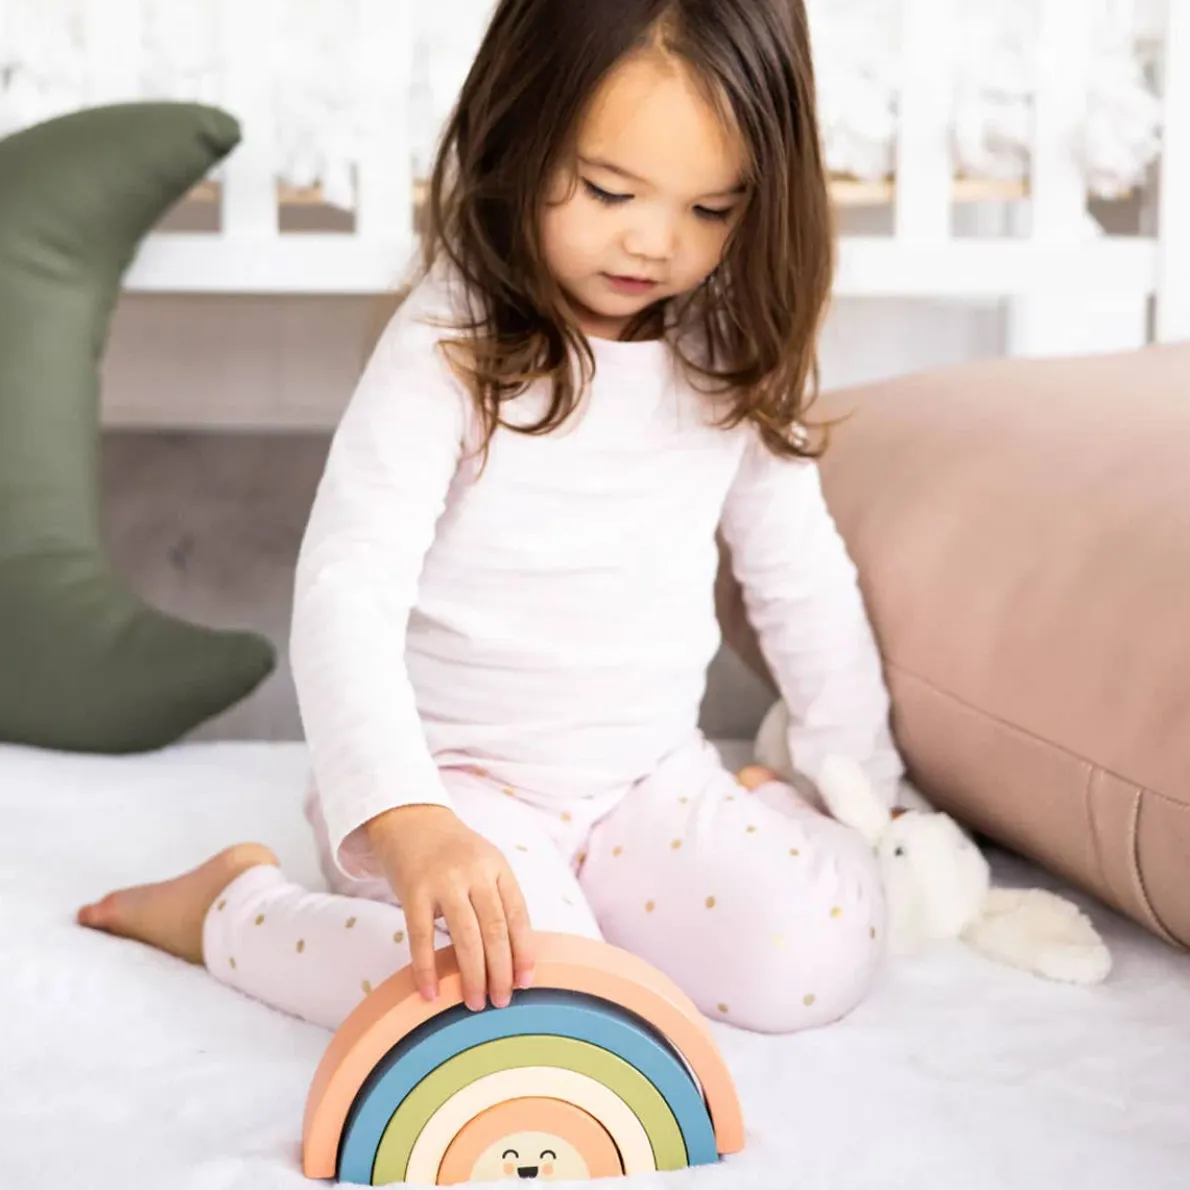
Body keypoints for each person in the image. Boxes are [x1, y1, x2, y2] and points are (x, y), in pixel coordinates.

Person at [79, 0, 905, 1037]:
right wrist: (405, 815)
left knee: (821, 948)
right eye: (610, 189)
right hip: (457, 789)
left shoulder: (726, 345)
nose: (654, 241)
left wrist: (860, 780)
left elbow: (796, 569)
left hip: (645, 777)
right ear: (521, 135)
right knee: (516, 1004)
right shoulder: (448, 348)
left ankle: (685, 860)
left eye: (712, 209)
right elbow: (348, 589)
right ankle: (232, 911)